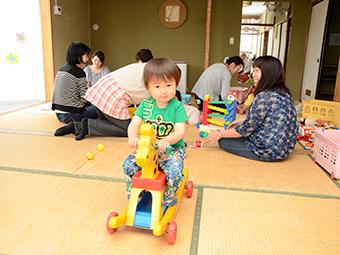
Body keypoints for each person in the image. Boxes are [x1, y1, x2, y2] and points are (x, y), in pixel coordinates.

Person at [203, 56, 297, 162]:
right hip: (285, 148)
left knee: (223, 140)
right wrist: (241, 120)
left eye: (257, 70)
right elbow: (267, 117)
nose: (253, 74)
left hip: (269, 151)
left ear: (268, 73)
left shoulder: (264, 96)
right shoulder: (284, 93)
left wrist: (219, 134)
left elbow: (246, 129)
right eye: (254, 70)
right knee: (234, 130)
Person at [123, 57, 188, 207]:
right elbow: (134, 124)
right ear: (148, 87)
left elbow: (180, 131)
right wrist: (133, 137)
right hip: (147, 148)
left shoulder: (177, 106)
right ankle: (134, 193)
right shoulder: (145, 105)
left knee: (174, 171)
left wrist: (167, 140)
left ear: (176, 84)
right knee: (128, 165)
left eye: (168, 85)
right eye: (157, 86)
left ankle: (169, 195)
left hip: (171, 148)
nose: (163, 91)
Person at [54, 50, 155, 140]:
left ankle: (77, 126)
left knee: (109, 123)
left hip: (98, 92)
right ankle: (86, 125)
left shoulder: (141, 68)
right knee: (128, 129)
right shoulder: (153, 75)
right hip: (111, 96)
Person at [51, 41, 97, 124]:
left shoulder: (61, 69)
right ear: (79, 56)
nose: (88, 58)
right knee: (99, 109)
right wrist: (89, 89)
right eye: (86, 55)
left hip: (59, 114)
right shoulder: (79, 73)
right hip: (72, 116)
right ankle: (78, 126)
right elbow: (85, 98)